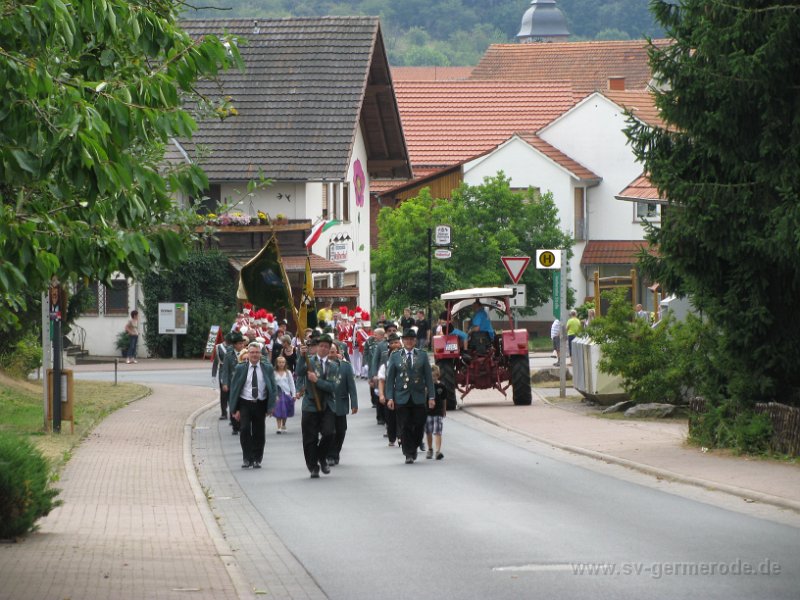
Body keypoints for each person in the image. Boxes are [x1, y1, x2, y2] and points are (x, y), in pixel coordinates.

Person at [385, 328, 436, 464]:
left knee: (419, 424)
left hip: (418, 396)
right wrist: (389, 397)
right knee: (405, 424)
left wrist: (431, 397)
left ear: (415, 341)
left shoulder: (422, 355)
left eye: (411, 339)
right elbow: (390, 379)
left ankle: (415, 444)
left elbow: (429, 378)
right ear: (403, 340)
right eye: (406, 339)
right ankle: (408, 452)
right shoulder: (395, 356)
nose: (408, 341)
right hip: (401, 396)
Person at [296, 333, 339, 478]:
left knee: (329, 433)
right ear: (317, 347)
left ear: (329, 349)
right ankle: (313, 466)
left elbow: (332, 387)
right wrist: (302, 356)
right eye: (321, 346)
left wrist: (317, 380)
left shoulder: (333, 366)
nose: (323, 349)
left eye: (327, 347)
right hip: (310, 404)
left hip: (326, 405)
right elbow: (299, 371)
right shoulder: (310, 361)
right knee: (310, 437)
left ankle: (322, 457)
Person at [229, 342, 277, 469]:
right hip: (245, 402)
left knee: (259, 431)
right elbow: (234, 389)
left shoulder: (267, 368)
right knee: (244, 429)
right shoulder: (240, 368)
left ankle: (257, 458)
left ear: (260, 354)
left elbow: (273, 387)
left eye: (257, 352)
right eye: (252, 353)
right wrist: (235, 409)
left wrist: (271, 406)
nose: (254, 355)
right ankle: (247, 458)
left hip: (260, 403)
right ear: (248, 354)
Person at [326, 343, 358, 466]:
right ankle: (330, 455)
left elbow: (351, 386)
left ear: (337, 353)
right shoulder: (321, 366)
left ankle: (336, 452)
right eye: (329, 352)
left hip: (341, 403)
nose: (331, 354)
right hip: (326, 405)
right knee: (329, 431)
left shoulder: (345, 367)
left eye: (333, 352)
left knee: (341, 430)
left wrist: (354, 403)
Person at [377, 332, 402, 446]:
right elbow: (381, 381)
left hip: (403, 393)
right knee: (390, 418)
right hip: (390, 394)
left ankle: (401, 436)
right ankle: (392, 437)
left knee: (402, 416)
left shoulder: (405, 361)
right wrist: (381, 395)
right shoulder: (385, 365)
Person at [221, 331, 247, 435]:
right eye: (239, 343)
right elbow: (225, 370)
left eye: (242, 343)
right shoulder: (229, 355)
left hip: (244, 384)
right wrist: (225, 383)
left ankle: (242, 424)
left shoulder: (246, 353)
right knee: (234, 403)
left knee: (243, 404)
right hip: (233, 384)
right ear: (235, 344)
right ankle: (235, 426)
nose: (241, 345)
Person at [426, 365, 447, 460]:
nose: (433, 378)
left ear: (438, 375)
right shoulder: (426, 386)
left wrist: (444, 410)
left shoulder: (441, 386)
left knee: (438, 431)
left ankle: (438, 451)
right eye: (431, 376)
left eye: (434, 376)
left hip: (438, 412)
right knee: (428, 431)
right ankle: (430, 449)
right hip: (428, 412)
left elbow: (444, 399)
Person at [273, 355, 296, 434]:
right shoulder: (274, 372)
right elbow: (272, 384)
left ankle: (284, 424)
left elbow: (291, 383)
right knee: (278, 410)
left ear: (285, 363)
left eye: (283, 362)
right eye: (279, 362)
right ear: (277, 363)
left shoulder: (288, 372)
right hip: (278, 394)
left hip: (286, 393)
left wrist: (293, 394)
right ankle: (278, 427)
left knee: (285, 410)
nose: (281, 364)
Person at [211, 333, 230, 420]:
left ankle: (233, 411)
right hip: (222, 372)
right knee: (223, 394)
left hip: (232, 372)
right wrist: (213, 375)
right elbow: (216, 361)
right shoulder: (219, 347)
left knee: (232, 393)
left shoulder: (233, 347)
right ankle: (224, 413)